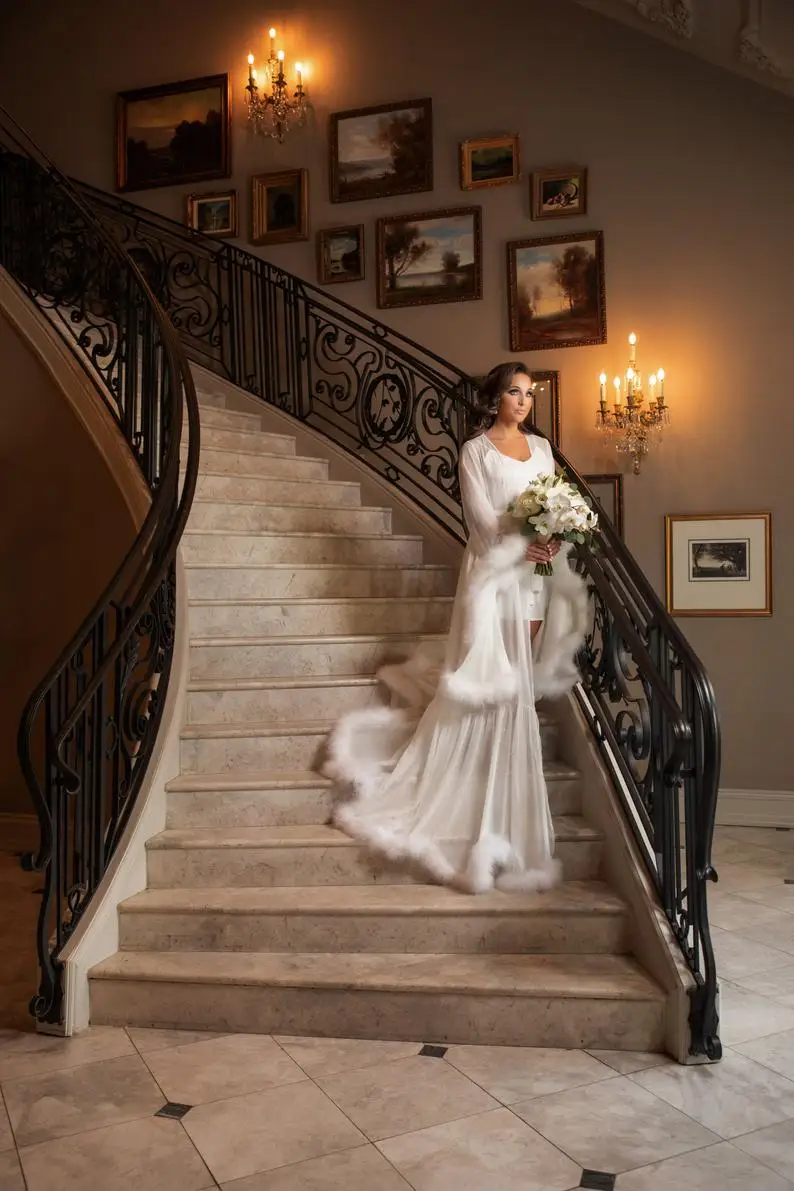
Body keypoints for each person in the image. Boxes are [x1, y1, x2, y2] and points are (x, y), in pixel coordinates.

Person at [322, 362, 589, 893]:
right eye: (514, 392)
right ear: (494, 398)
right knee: (490, 663)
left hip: (534, 573)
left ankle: (510, 764)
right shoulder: (476, 450)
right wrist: (522, 543)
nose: (523, 401)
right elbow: (481, 519)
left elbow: (556, 505)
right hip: (493, 572)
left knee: (520, 671)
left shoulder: (540, 449)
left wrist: (555, 539)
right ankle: (471, 773)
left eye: (529, 393)